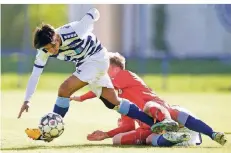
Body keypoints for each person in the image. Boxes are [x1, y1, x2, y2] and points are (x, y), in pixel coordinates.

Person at [19, 8, 178, 142]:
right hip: (85, 64)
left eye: (53, 45)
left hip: (98, 58)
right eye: (48, 49)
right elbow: (35, 74)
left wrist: (93, 14)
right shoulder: (43, 51)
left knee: (64, 89)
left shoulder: (75, 30)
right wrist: (27, 99)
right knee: (114, 103)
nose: (52, 50)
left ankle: (46, 133)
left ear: (55, 35)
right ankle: (156, 124)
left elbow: (93, 13)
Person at [71, 52, 227, 146]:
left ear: (116, 68)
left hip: (161, 110)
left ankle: (212, 134)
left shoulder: (124, 75)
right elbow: (127, 125)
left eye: (106, 69)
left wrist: (82, 97)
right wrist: (106, 134)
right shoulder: (120, 98)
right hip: (150, 125)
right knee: (125, 140)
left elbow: (103, 89)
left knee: (149, 106)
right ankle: (175, 137)